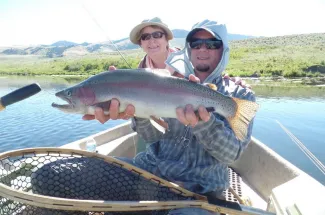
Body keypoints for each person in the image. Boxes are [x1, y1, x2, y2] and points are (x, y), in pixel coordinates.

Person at [87, 20, 256, 215]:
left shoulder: (239, 96)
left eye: (212, 44)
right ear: (188, 49)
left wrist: (205, 125)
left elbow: (231, 155)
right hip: (150, 174)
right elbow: (152, 138)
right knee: (68, 173)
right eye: (196, 44)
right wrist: (138, 115)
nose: (203, 49)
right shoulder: (168, 83)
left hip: (200, 191)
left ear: (223, 49)